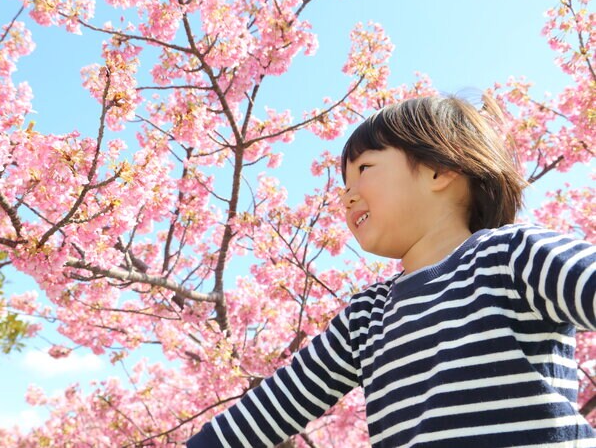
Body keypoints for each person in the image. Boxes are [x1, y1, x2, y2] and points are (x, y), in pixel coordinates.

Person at [187, 95, 596, 447]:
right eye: (343, 184)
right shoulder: (367, 316)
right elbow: (272, 406)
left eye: (363, 169)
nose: (347, 196)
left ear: (441, 168)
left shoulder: (510, 254)